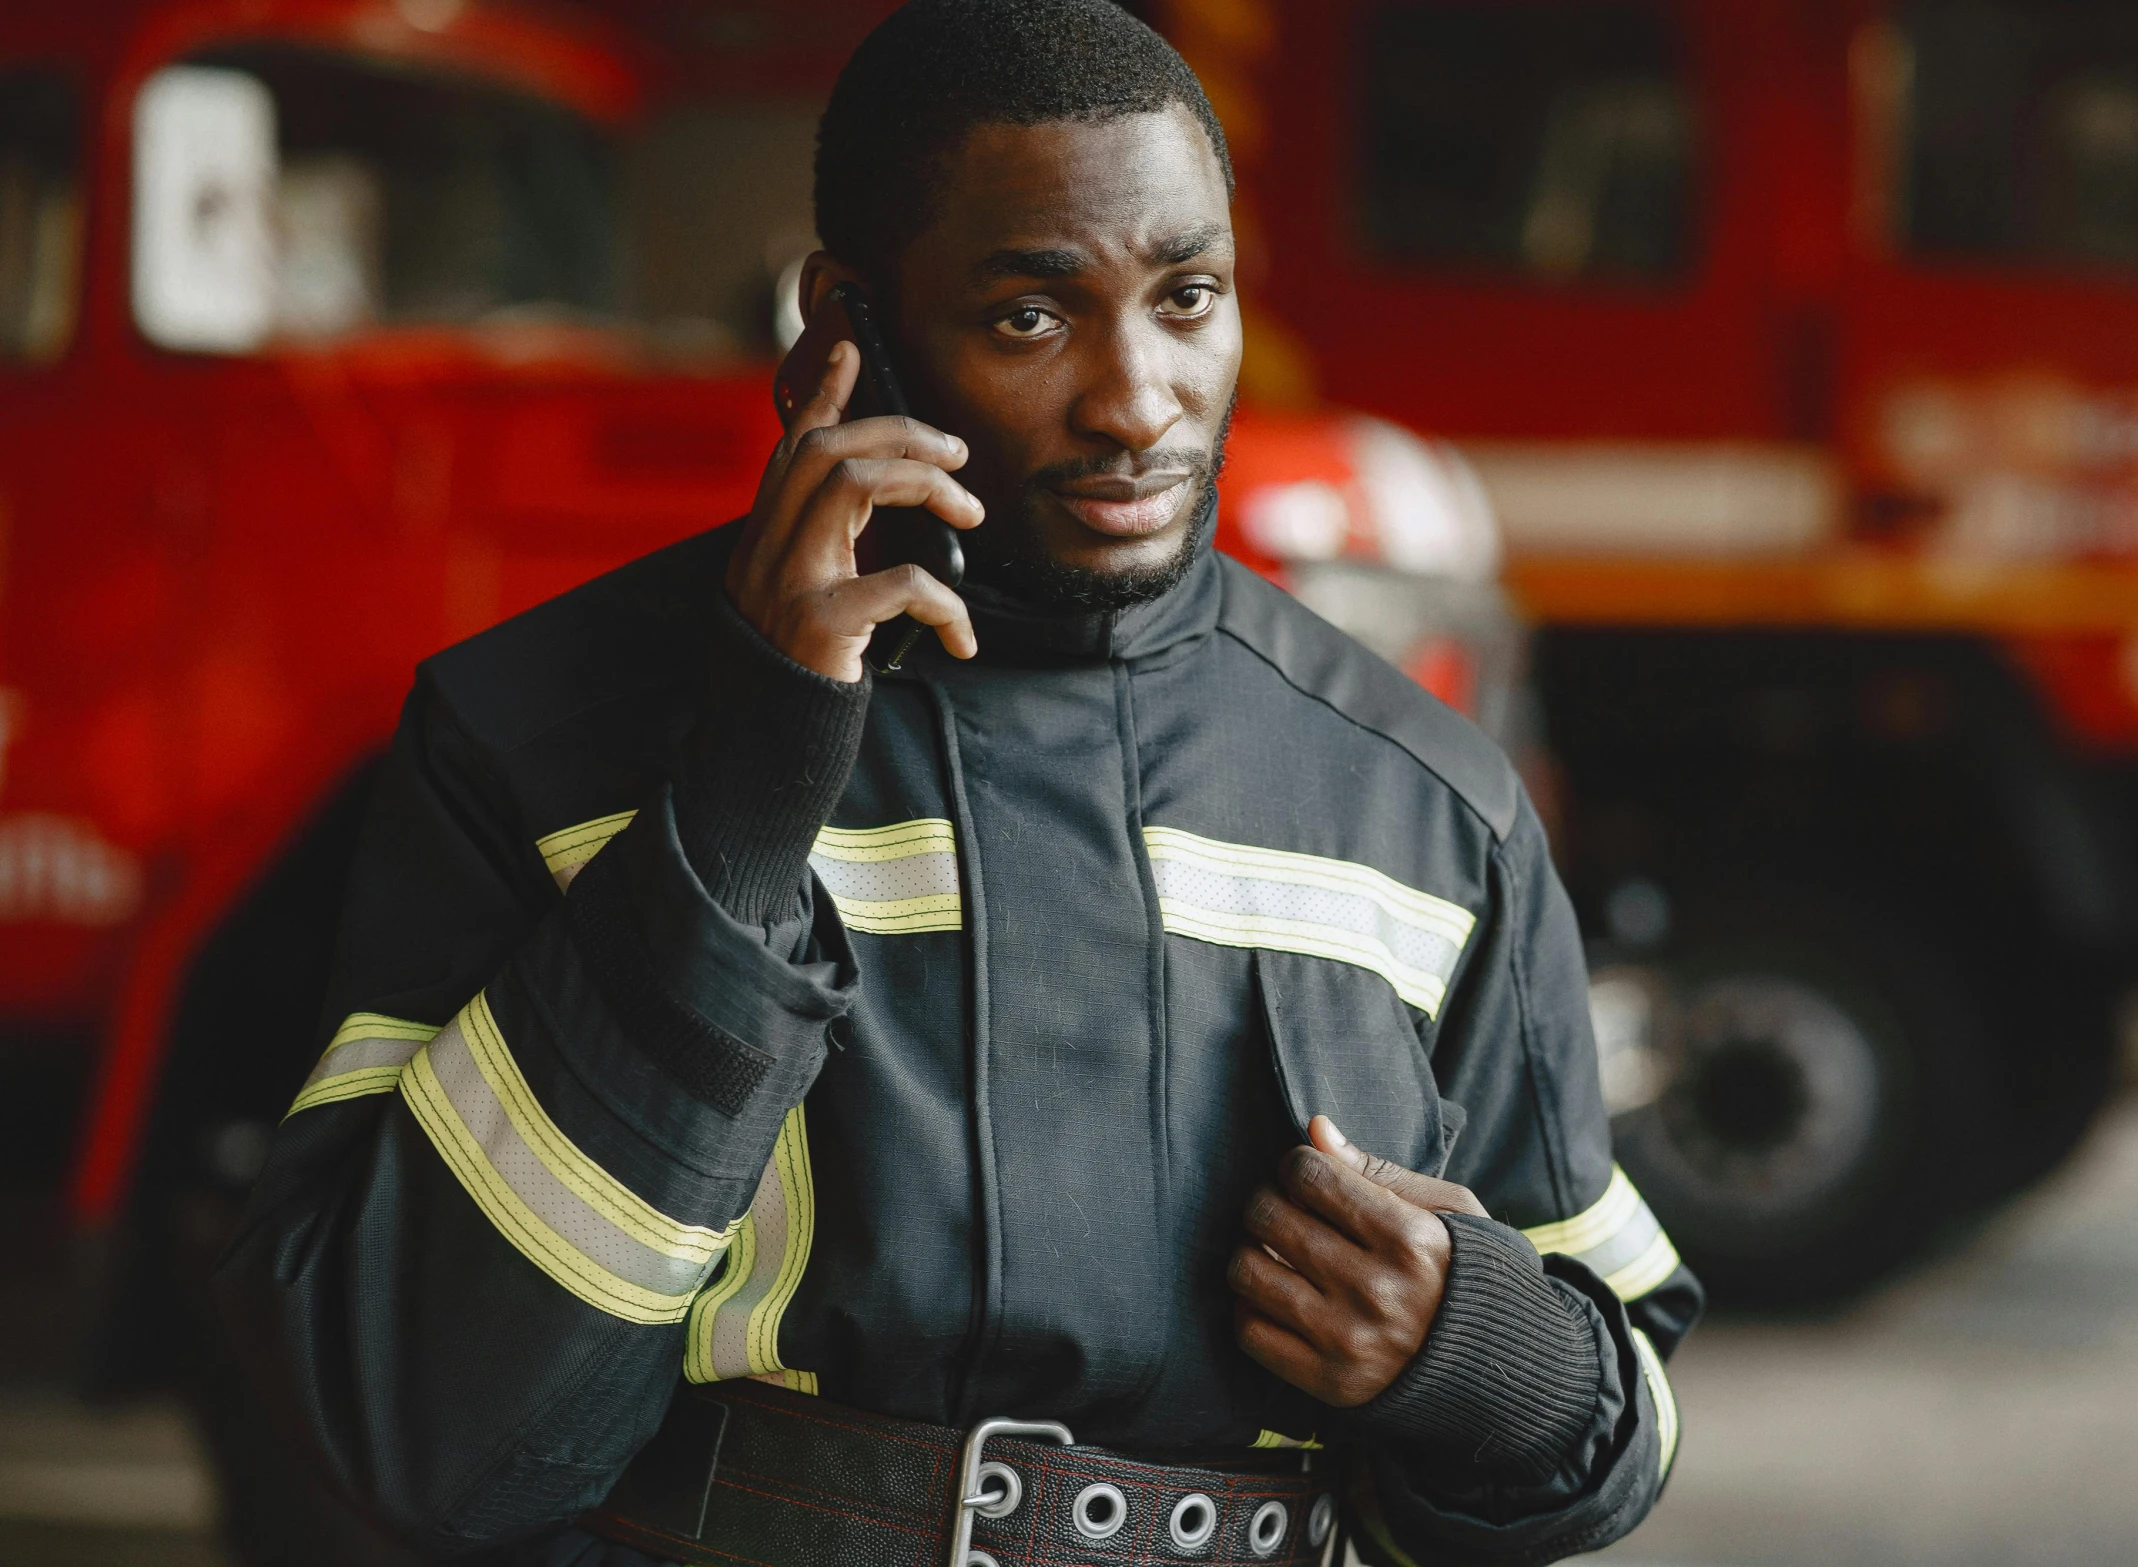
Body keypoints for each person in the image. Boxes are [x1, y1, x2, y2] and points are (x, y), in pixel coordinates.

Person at [218, 3, 1701, 1562]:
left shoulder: (1420, 802)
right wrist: (738, 811)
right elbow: (402, 1426)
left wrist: (1481, 1356)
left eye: (1187, 297)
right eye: (1030, 318)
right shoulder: (534, 739)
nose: (1139, 400)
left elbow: (1619, 1414)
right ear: (842, 326)